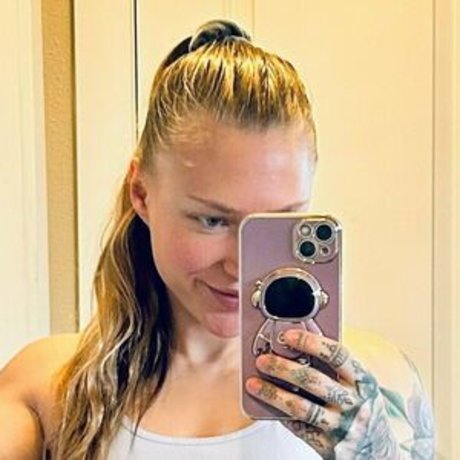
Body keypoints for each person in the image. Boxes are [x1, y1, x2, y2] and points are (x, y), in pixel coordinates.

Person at [0, 19, 434, 460]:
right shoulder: (47, 388)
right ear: (142, 193)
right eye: (212, 220)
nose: (241, 266)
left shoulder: (381, 384)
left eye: (276, 221)